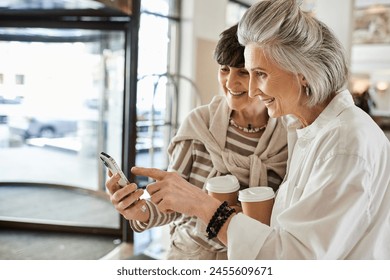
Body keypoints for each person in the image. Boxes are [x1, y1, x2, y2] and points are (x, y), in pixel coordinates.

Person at [131, 0, 390, 259]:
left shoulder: (344, 146)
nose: (252, 89)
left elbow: (293, 258)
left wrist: (202, 204)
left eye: (260, 74)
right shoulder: (308, 132)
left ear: (302, 72)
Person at [106, 24, 288, 260]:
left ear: (262, 74)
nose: (230, 83)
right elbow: (171, 205)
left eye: (242, 72)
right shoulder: (199, 123)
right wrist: (136, 210)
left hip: (252, 259)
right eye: (224, 69)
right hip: (190, 255)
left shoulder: (289, 137)